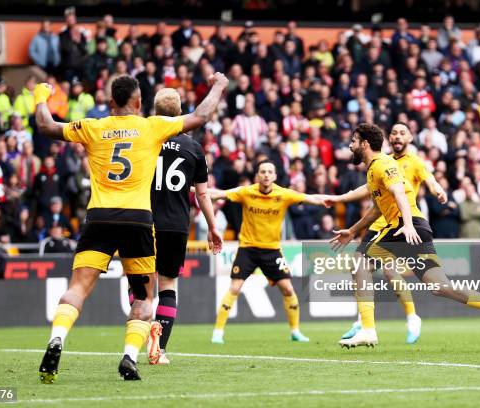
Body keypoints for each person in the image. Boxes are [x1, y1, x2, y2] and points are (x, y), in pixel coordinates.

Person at [34, 71, 229, 382]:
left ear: (111, 102)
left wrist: (40, 97)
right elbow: (202, 115)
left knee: (77, 289)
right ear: (139, 103)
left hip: (99, 217)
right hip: (138, 221)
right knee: (143, 296)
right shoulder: (152, 126)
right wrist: (218, 84)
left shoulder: (93, 127)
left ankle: (57, 338)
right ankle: (128, 358)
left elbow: (46, 126)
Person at [329, 124, 480, 348]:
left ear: (365, 144)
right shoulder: (373, 171)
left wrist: (407, 224)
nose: (350, 145)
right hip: (415, 227)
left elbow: (400, 192)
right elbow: (378, 210)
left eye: (353, 141)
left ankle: (368, 329)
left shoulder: (384, 164)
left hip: (405, 226)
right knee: (440, 286)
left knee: (360, 264)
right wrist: (352, 230)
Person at [324, 122, 448, 344]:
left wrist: (437, 189)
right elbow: (369, 189)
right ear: (388, 138)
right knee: (360, 267)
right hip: (377, 222)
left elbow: (430, 180)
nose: (397, 136)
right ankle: (364, 322)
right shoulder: (381, 160)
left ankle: (409, 317)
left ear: (410, 138)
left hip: (400, 222)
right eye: (394, 133)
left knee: (386, 271)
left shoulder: (415, 162)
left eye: (402, 133)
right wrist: (342, 200)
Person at [134, 87, 222, 365]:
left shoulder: (144, 138)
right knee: (168, 285)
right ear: (181, 111)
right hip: (176, 225)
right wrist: (212, 226)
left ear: (155, 111)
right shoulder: (194, 148)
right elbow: (203, 194)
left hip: (143, 221)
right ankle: (158, 350)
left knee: (141, 287)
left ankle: (142, 329)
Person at [208, 159, 328, 344]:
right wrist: (191, 189)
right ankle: (218, 332)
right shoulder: (246, 192)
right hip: (248, 249)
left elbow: (309, 197)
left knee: (288, 289)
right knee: (235, 287)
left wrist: (332, 200)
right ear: (257, 175)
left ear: (275, 176)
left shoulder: (284, 194)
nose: (266, 175)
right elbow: (218, 194)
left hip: (272, 251)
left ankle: (295, 331)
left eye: (269, 171)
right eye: (262, 171)